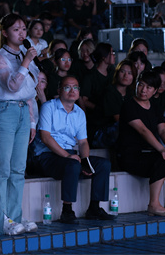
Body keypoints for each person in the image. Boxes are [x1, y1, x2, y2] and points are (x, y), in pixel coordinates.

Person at [32, 75, 115, 224]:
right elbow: (45, 137)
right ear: (59, 90)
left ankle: (94, 208)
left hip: (68, 156)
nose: (72, 90)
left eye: (75, 87)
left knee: (103, 164)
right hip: (46, 156)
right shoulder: (49, 107)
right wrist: (67, 156)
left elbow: (83, 142)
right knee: (73, 164)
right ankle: (67, 210)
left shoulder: (80, 113)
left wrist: (85, 161)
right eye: (67, 87)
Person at [0, 13, 39, 235]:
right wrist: (26, 61)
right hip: (4, 111)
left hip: (23, 111)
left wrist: (33, 122)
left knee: (18, 169)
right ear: (5, 33)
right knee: (1, 169)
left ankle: (14, 217)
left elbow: (30, 93)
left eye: (24, 29)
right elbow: (13, 85)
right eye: (16, 29)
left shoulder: (25, 56)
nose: (21, 33)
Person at [117, 71, 165, 217]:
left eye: (148, 87)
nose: (143, 90)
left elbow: (162, 129)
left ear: (155, 91)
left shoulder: (154, 106)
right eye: (141, 85)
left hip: (149, 153)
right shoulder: (129, 106)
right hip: (130, 155)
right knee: (162, 160)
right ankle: (153, 204)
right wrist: (162, 149)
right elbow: (143, 131)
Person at [92, 59, 136, 148]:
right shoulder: (109, 92)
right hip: (103, 133)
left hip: (122, 129)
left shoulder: (130, 94)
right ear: (117, 73)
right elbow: (117, 119)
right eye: (122, 71)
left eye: (130, 73)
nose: (126, 75)